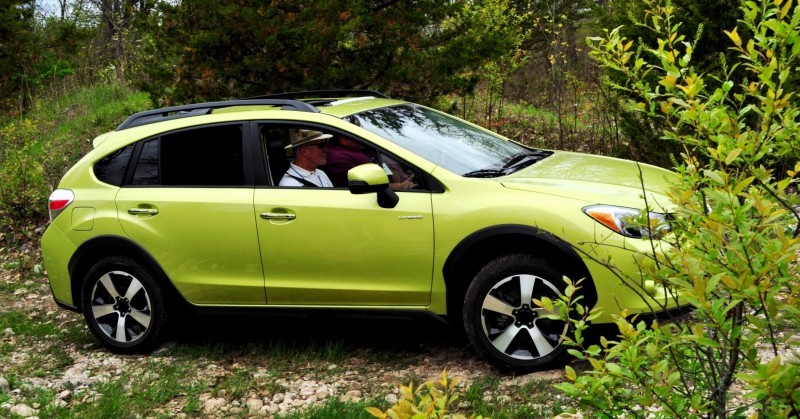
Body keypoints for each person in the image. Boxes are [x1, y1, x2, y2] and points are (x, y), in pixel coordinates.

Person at [326, 135, 414, 188]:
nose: (362, 135)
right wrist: (400, 186)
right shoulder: (338, 157)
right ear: (345, 138)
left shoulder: (365, 147)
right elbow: (364, 186)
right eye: (357, 132)